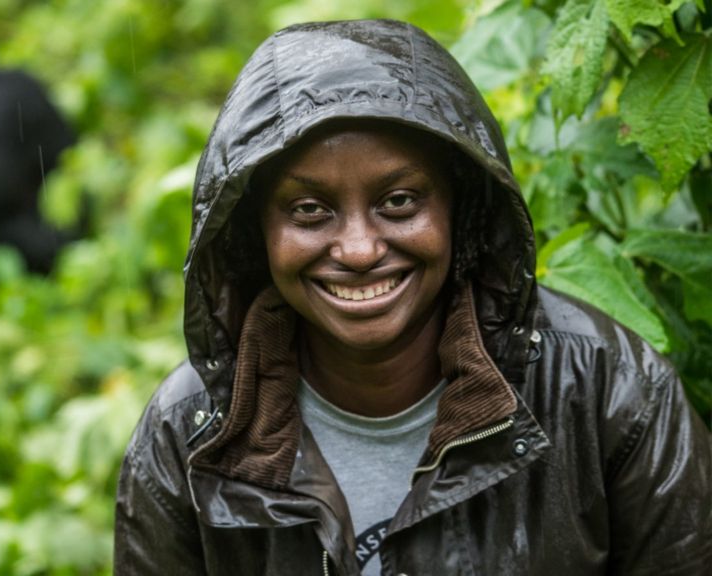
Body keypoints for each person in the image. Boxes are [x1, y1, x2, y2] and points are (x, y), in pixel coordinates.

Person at [114, 19, 711, 575]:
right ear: (255, 233)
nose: (358, 249)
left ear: (462, 209)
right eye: (309, 210)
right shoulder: (189, 433)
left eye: (398, 202)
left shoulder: (610, 391)